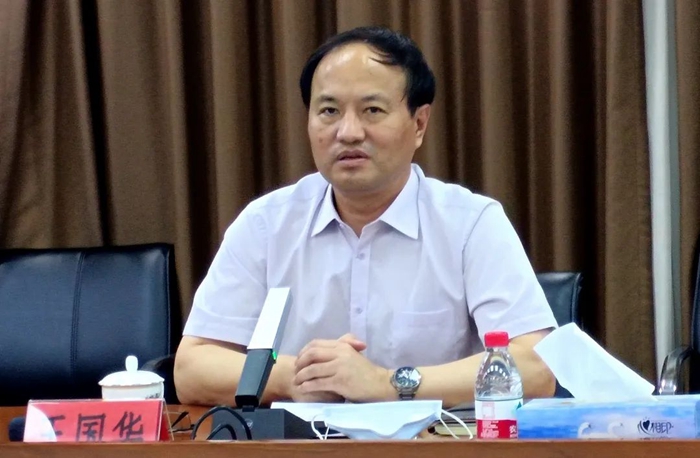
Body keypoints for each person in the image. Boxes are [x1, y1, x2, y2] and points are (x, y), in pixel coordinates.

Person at [174, 26, 557, 408]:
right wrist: (295, 377)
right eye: (329, 111)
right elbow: (192, 367)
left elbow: (536, 367)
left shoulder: (471, 225)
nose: (348, 132)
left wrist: (386, 383)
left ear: (419, 124)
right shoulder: (265, 225)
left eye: (372, 110)